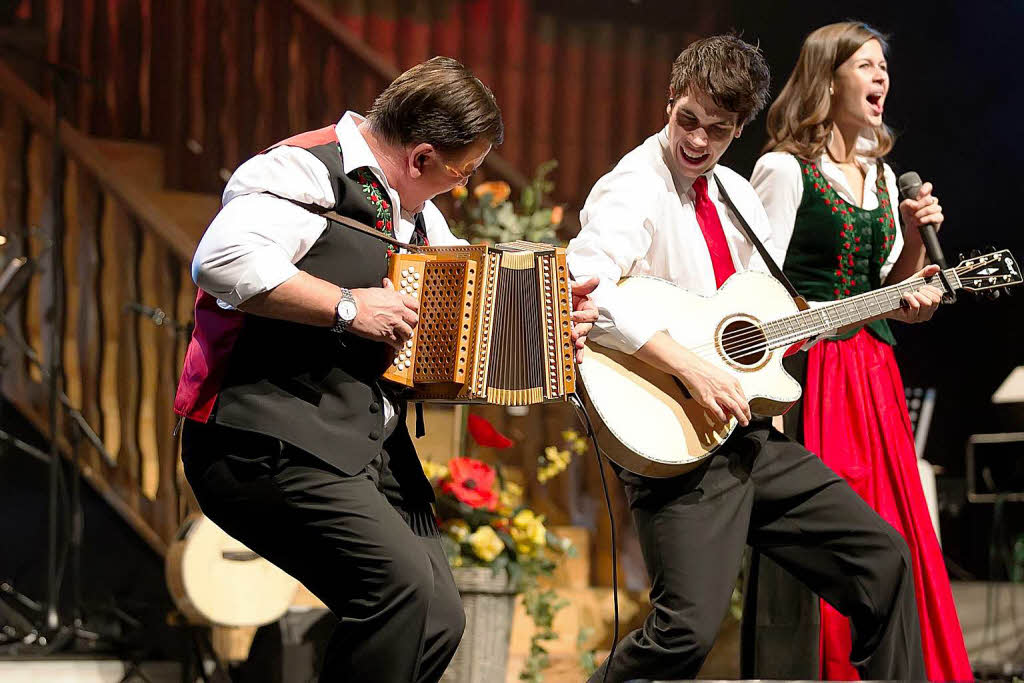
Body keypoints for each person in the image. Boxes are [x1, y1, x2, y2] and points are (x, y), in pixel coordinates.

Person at [172, 57, 597, 683]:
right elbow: (222, 261)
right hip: (263, 437)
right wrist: (345, 306)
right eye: (462, 173)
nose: (458, 187)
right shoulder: (304, 168)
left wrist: (552, 327)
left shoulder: (419, 216)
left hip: (360, 444)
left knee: (440, 616)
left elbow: (471, 307)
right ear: (422, 157)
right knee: (399, 591)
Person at [566, 35, 940, 682]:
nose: (697, 141)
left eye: (718, 129)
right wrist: (690, 364)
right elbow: (586, 290)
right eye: (688, 120)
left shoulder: (737, 194)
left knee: (884, 561)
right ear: (670, 101)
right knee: (683, 631)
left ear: (739, 128)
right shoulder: (633, 186)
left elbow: (772, 313)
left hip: (747, 437)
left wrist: (886, 299)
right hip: (676, 442)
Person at [742, 22, 973, 681]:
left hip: (873, 371)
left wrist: (913, 240)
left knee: (893, 527)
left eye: (883, 67)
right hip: (812, 374)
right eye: (866, 65)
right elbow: (753, 288)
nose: (882, 78)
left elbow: (888, 291)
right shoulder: (785, 169)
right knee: (834, 534)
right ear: (827, 76)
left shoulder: (881, 172)